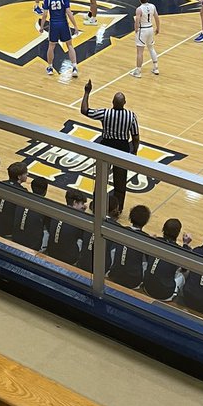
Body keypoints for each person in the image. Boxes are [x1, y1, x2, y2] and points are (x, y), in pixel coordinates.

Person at [80, 79, 139, 209]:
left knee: (101, 179)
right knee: (120, 182)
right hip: (122, 149)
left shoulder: (105, 113)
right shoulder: (131, 116)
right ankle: (117, 209)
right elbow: (135, 136)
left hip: (106, 146)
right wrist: (134, 151)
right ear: (125, 103)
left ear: (112, 103)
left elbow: (84, 110)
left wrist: (87, 92)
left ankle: (96, 205)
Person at [142, 218, 192, 301]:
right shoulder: (179, 250)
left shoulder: (155, 240)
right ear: (178, 233)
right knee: (183, 274)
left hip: (146, 287)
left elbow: (147, 257)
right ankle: (176, 293)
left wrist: (150, 239)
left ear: (163, 229)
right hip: (164, 295)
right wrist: (185, 245)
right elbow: (184, 268)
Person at [107, 203, 151, 287]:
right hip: (133, 282)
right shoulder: (146, 238)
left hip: (114, 275)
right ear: (146, 221)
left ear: (130, 218)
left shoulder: (121, 230)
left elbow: (112, 252)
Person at [42, 0, 79, 77]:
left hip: (53, 24)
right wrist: (75, 26)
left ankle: (50, 67)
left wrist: (41, 26)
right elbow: (69, 13)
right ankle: (74, 67)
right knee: (69, 45)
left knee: (51, 46)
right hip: (63, 24)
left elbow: (45, 15)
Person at [46, 189, 89, 265]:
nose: (83, 206)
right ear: (75, 202)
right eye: (82, 203)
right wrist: (83, 215)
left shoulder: (56, 211)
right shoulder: (78, 220)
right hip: (68, 258)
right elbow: (84, 237)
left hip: (51, 251)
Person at [14, 177, 50, 252]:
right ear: (45, 191)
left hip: (15, 238)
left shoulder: (22, 198)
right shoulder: (46, 207)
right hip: (32, 247)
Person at [132, 0, 160, 78]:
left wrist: (136, 29)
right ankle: (156, 68)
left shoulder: (139, 9)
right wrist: (158, 27)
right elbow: (156, 17)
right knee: (151, 48)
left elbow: (137, 20)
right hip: (150, 28)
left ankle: (138, 71)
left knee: (140, 52)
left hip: (142, 30)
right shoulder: (153, 6)